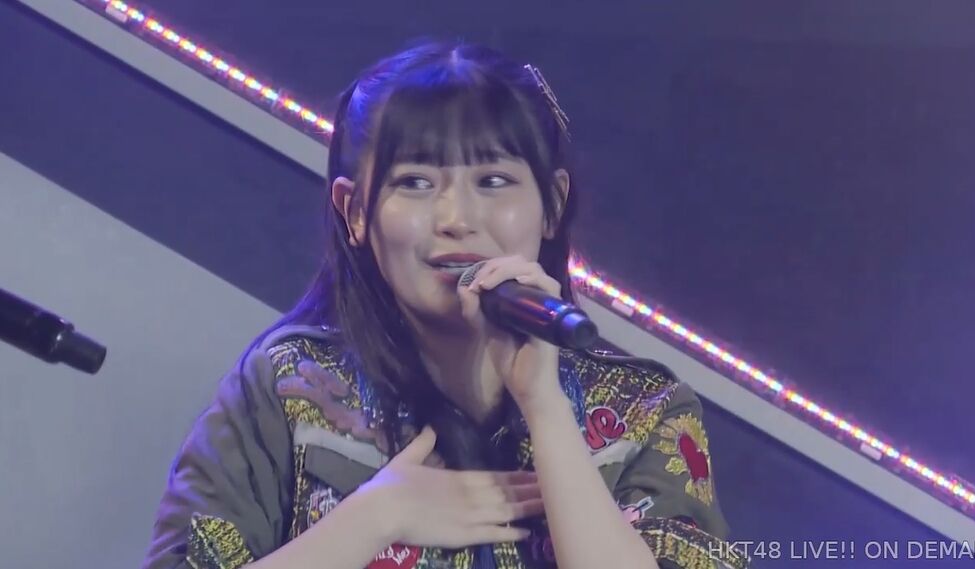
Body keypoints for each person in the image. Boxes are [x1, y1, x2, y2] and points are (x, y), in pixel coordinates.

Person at [143, 40, 748, 569]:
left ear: (552, 205)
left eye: (493, 181)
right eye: (416, 183)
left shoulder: (645, 409)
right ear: (355, 212)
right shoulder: (287, 387)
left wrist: (545, 407)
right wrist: (377, 516)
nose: (457, 219)